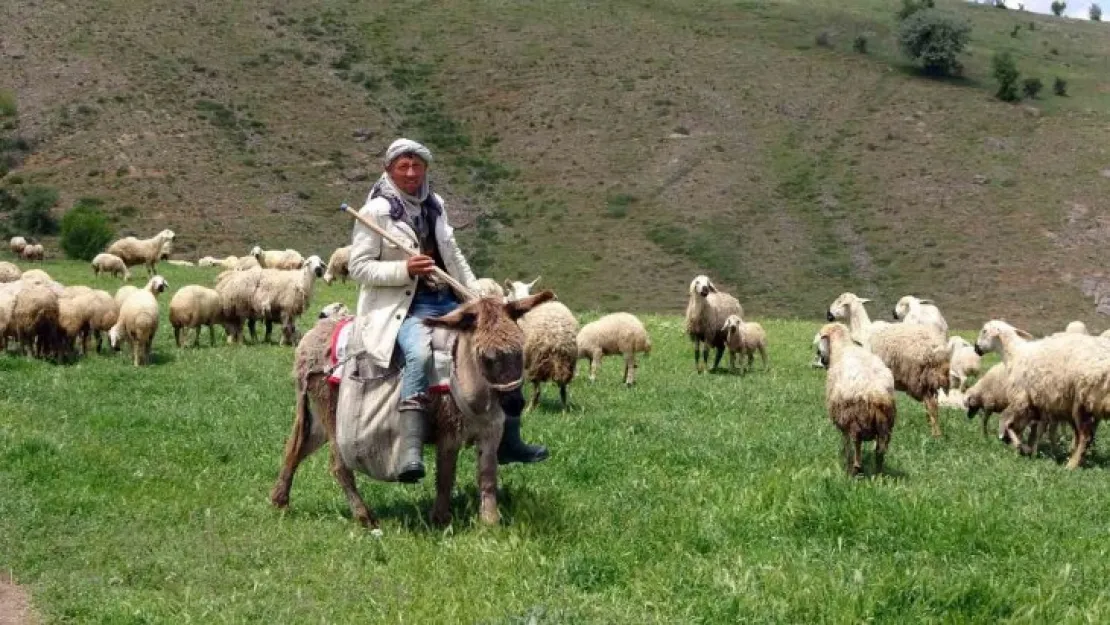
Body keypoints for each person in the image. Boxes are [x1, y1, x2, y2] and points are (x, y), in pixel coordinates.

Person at [347, 138, 549, 483]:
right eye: (403, 166)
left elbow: (452, 255)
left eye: (417, 165)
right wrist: (405, 270)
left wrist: (475, 293)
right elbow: (359, 267)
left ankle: (509, 439)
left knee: (504, 347)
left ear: (425, 168)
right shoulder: (375, 212)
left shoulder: (434, 204)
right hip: (406, 307)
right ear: (389, 170)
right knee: (418, 354)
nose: (411, 173)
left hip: (448, 298)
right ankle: (411, 448)